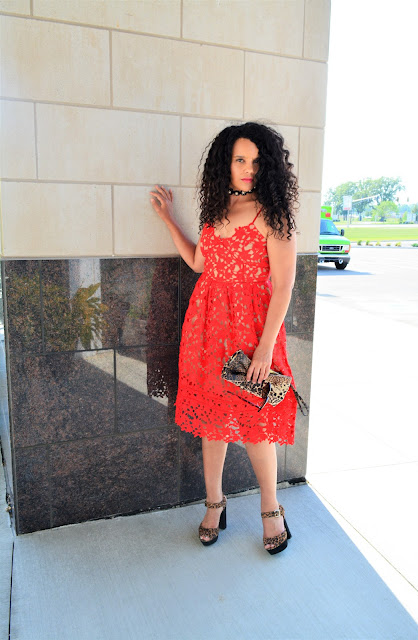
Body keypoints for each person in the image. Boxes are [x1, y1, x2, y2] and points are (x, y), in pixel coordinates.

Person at [150, 121, 299, 555]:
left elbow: (285, 286)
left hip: (251, 334)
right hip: (206, 331)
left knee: (255, 425)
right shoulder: (215, 212)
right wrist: (169, 220)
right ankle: (215, 503)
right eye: (240, 160)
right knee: (212, 423)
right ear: (226, 164)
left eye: (256, 161)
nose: (248, 168)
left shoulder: (273, 215)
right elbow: (199, 263)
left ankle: (271, 509)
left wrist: (265, 349)